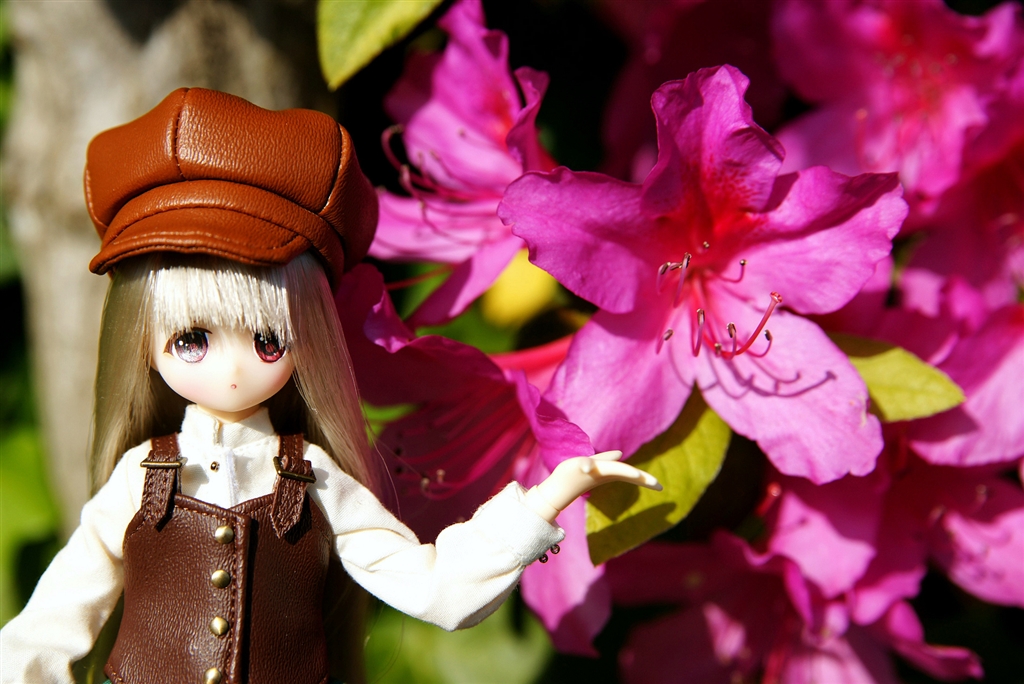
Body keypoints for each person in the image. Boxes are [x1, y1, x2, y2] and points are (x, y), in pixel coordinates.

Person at [0, 88, 660, 684]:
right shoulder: (139, 481)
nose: (232, 371)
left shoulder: (316, 480)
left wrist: (544, 501)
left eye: (268, 340)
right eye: (191, 339)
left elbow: (433, 588)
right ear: (140, 341)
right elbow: (49, 628)